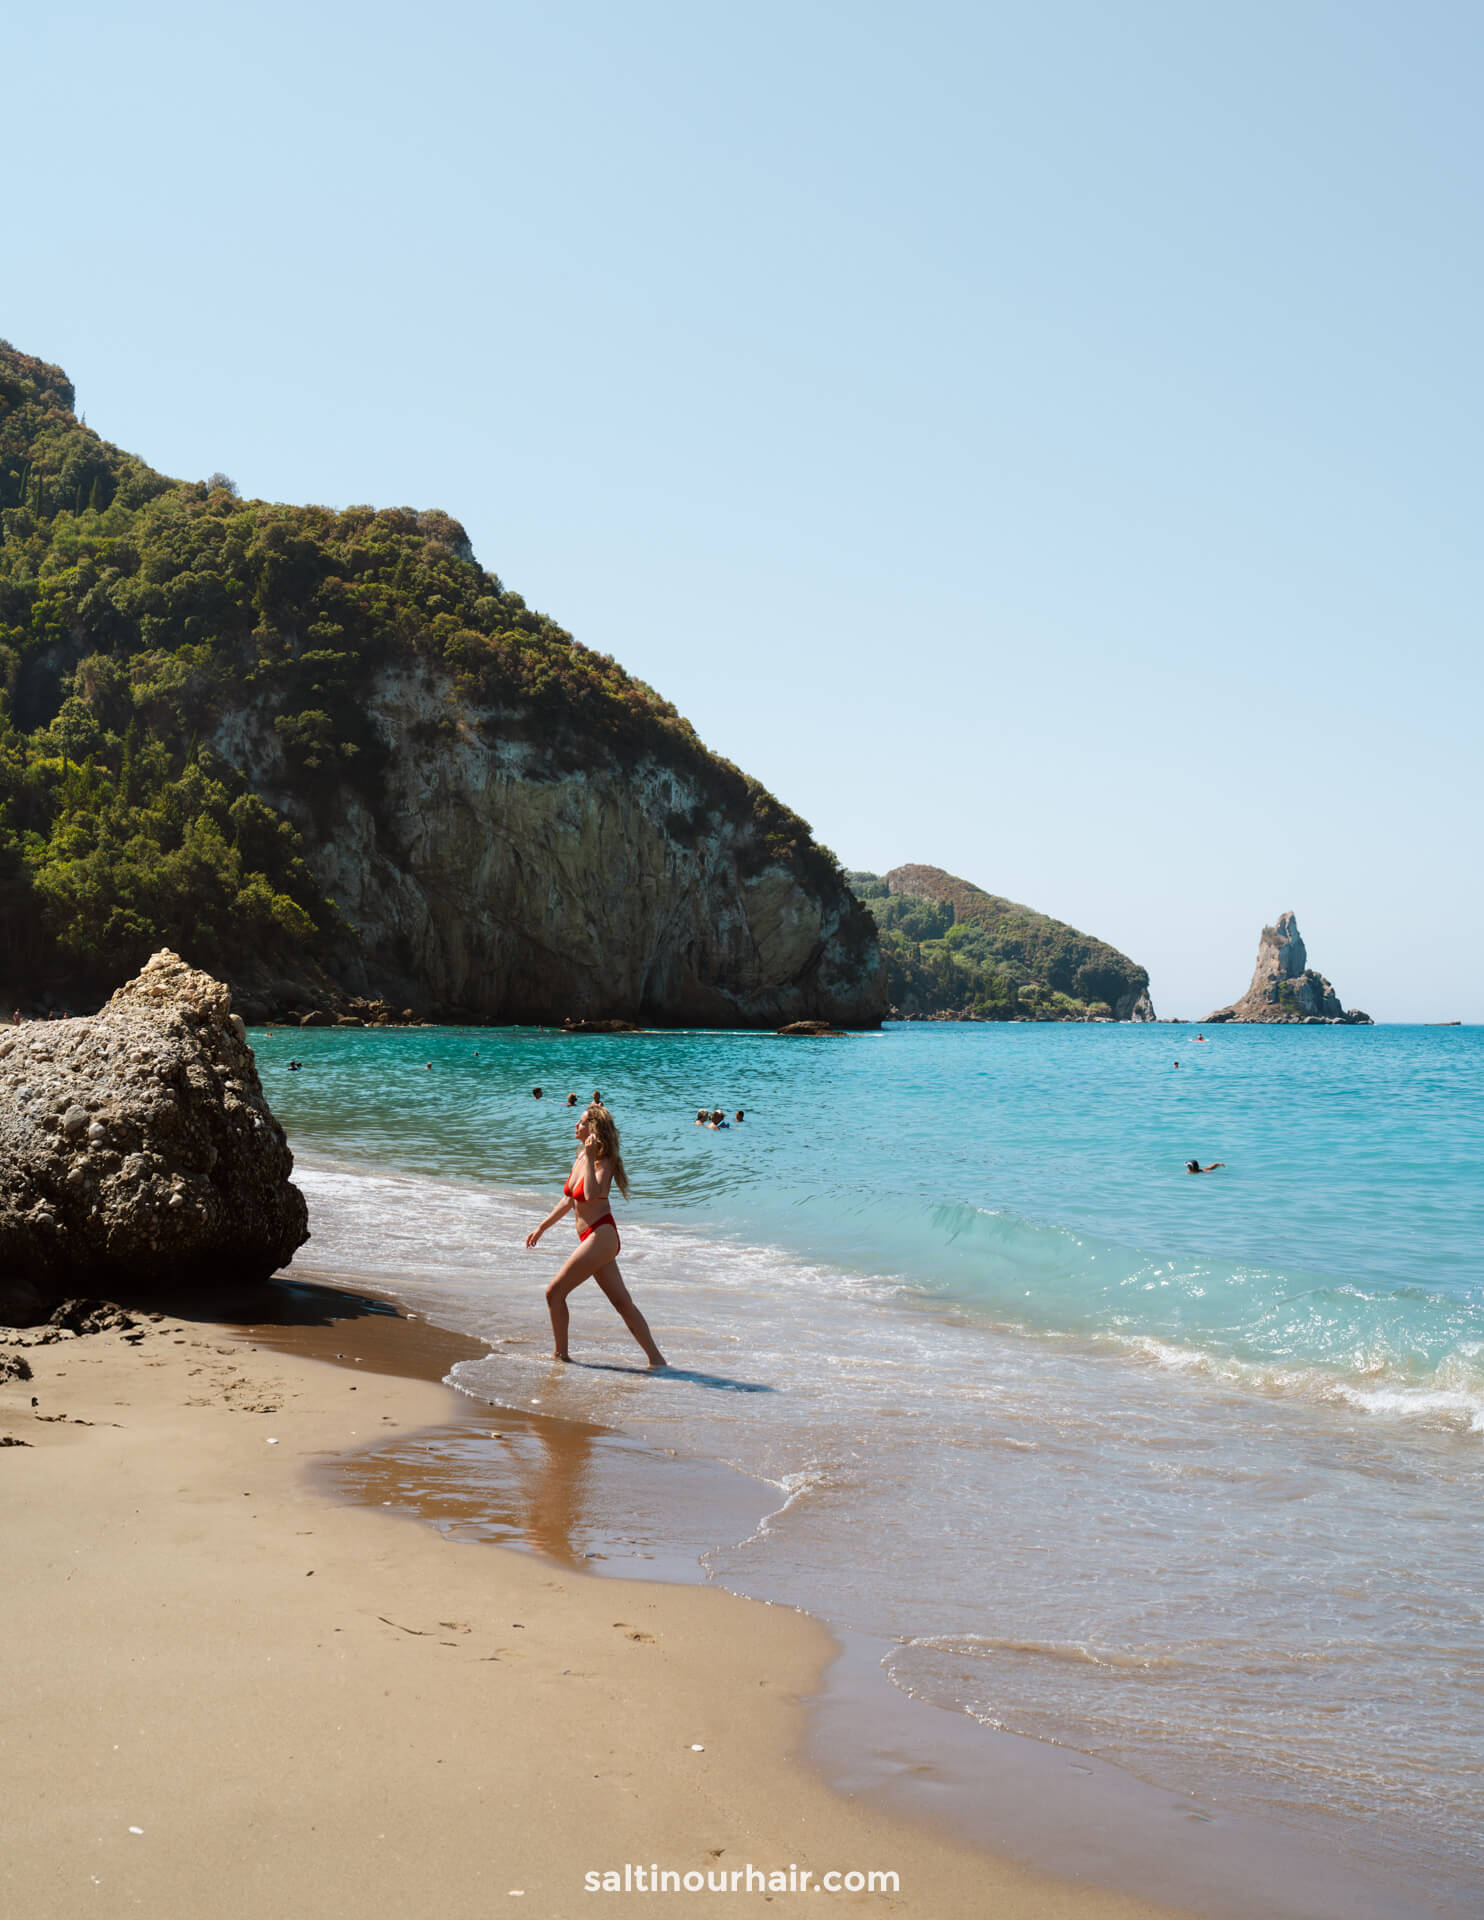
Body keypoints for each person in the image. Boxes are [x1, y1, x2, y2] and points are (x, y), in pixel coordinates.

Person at [525, 1103, 666, 1367]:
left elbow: (591, 1194)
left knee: (554, 1292)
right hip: (591, 1237)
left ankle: (560, 1355)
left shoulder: (604, 1161)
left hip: (601, 1235)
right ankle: (658, 1361)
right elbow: (568, 1201)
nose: (575, 1126)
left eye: (580, 1122)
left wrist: (590, 1157)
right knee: (622, 1303)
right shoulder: (581, 1158)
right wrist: (542, 1227)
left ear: (593, 1128)